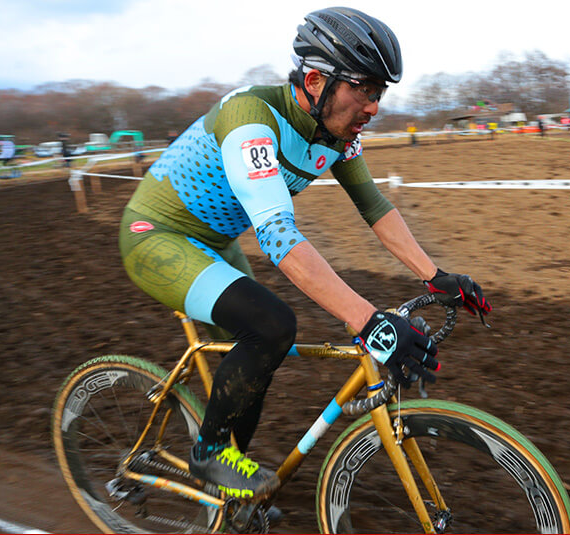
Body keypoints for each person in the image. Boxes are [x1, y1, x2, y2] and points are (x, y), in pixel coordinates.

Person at [118, 7, 491, 502]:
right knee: (271, 325)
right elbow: (278, 237)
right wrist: (368, 320)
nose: (374, 106)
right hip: (156, 235)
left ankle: (232, 486)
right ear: (315, 80)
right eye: (364, 87)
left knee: (257, 359)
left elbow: (374, 207)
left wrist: (435, 275)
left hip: (216, 244)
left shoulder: (337, 135)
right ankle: (208, 452)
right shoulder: (252, 119)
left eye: (380, 92)